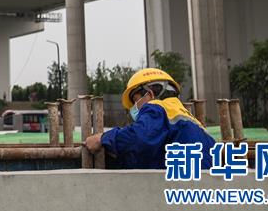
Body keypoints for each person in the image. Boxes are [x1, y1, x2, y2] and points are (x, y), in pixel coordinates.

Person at [83, 67, 215, 169]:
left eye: (136, 101)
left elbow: (138, 138)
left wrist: (102, 138)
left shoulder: (157, 108)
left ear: (150, 94)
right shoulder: (193, 122)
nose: (135, 108)